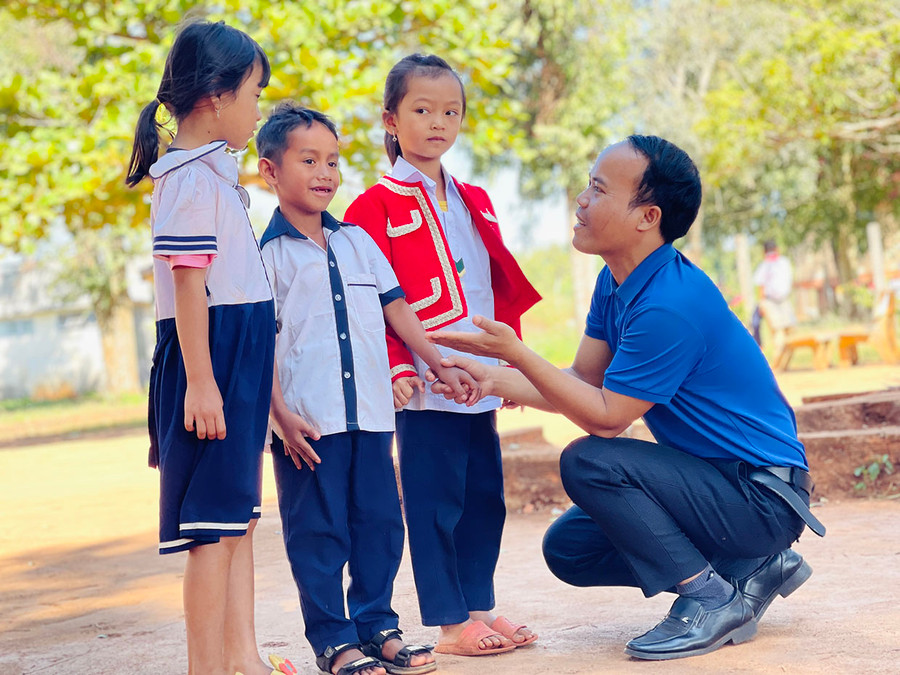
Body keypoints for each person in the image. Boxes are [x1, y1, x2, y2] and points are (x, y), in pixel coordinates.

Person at [428, 135, 825, 661]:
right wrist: (491, 377)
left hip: (759, 497)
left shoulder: (668, 304)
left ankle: (710, 597)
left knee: (591, 461)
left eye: (598, 189)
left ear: (647, 216)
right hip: (717, 486)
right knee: (570, 549)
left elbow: (608, 419)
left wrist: (518, 354)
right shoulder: (615, 282)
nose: (581, 200)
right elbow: (583, 383)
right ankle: (749, 567)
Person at [256, 102, 480, 675]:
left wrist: (437, 364)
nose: (326, 172)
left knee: (380, 524)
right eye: (309, 160)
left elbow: (399, 313)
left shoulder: (359, 242)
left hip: (373, 416)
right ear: (270, 172)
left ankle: (378, 625)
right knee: (318, 533)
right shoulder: (267, 258)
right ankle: (333, 640)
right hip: (310, 425)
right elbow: (261, 349)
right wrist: (279, 416)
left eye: (333, 160)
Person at [343, 54, 542, 657]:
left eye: (450, 111)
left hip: (477, 377)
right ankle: (451, 623)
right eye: (422, 110)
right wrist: (402, 367)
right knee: (435, 504)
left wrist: (508, 369)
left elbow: (494, 283)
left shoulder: (475, 198)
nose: (437, 123)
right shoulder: (368, 209)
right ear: (391, 119)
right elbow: (369, 305)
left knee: (485, 497)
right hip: (426, 383)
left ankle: (479, 605)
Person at [126, 21, 292, 675]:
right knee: (210, 528)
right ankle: (208, 667)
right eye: (254, 94)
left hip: (234, 360)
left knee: (237, 517)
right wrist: (201, 381)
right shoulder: (189, 179)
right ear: (217, 96)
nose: (258, 110)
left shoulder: (213, 174)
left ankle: (241, 658)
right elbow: (189, 286)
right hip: (210, 362)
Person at [752, 239, 796, 350]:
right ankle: (778, 359)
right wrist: (762, 303)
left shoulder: (783, 262)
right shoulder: (765, 265)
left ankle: (785, 357)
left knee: (790, 328)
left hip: (784, 299)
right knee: (778, 330)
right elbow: (760, 285)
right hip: (770, 301)